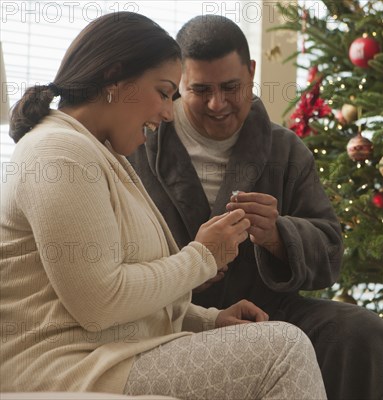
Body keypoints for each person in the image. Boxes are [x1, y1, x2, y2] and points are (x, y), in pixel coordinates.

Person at [0, 12, 327, 399]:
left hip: (106, 356)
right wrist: (203, 256)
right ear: (115, 78)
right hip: (66, 368)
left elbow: (113, 292)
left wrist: (208, 319)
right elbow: (100, 304)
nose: (168, 113)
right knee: (283, 350)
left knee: (286, 340)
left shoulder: (100, 156)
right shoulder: (59, 154)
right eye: (163, 92)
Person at [128, 14, 383, 400]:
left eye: (231, 87)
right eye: (200, 90)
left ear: (252, 72)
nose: (217, 103)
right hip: (172, 321)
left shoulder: (285, 150)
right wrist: (190, 265)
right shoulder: (139, 146)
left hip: (265, 315)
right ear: (178, 81)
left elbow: (330, 252)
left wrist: (280, 235)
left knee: (359, 330)